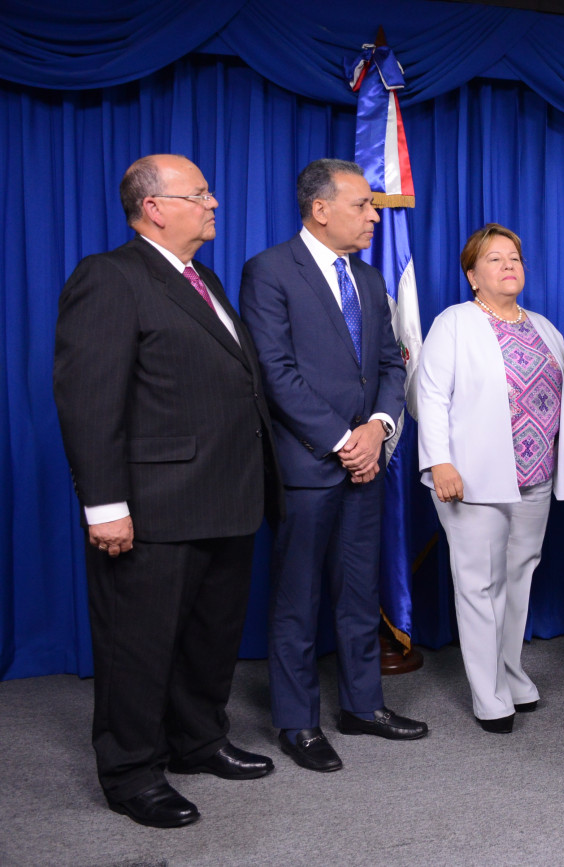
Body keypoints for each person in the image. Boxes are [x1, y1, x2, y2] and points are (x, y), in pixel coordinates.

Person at [53, 154, 279, 828]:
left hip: (228, 497)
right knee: (138, 646)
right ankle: (131, 772)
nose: (214, 203)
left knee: (210, 637)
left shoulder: (204, 278)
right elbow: (88, 400)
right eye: (199, 194)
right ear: (153, 207)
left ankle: (198, 740)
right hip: (153, 507)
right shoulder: (110, 277)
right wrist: (105, 506)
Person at [240, 158, 427, 773]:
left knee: (358, 592)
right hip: (308, 465)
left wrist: (378, 429)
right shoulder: (269, 271)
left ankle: (362, 706)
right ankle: (297, 722)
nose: (375, 216)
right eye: (363, 205)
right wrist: (345, 440)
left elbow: (391, 365)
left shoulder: (369, 279)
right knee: (297, 598)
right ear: (320, 210)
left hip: (366, 461)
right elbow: (274, 372)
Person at [416, 224, 564, 733]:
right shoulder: (454, 323)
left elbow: (560, 400)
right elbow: (430, 395)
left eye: (515, 258)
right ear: (472, 276)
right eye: (494, 259)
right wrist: (438, 461)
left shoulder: (545, 328)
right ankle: (488, 696)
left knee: (519, 577)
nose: (509, 266)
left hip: (536, 475)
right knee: (479, 584)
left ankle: (510, 673)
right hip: (472, 476)